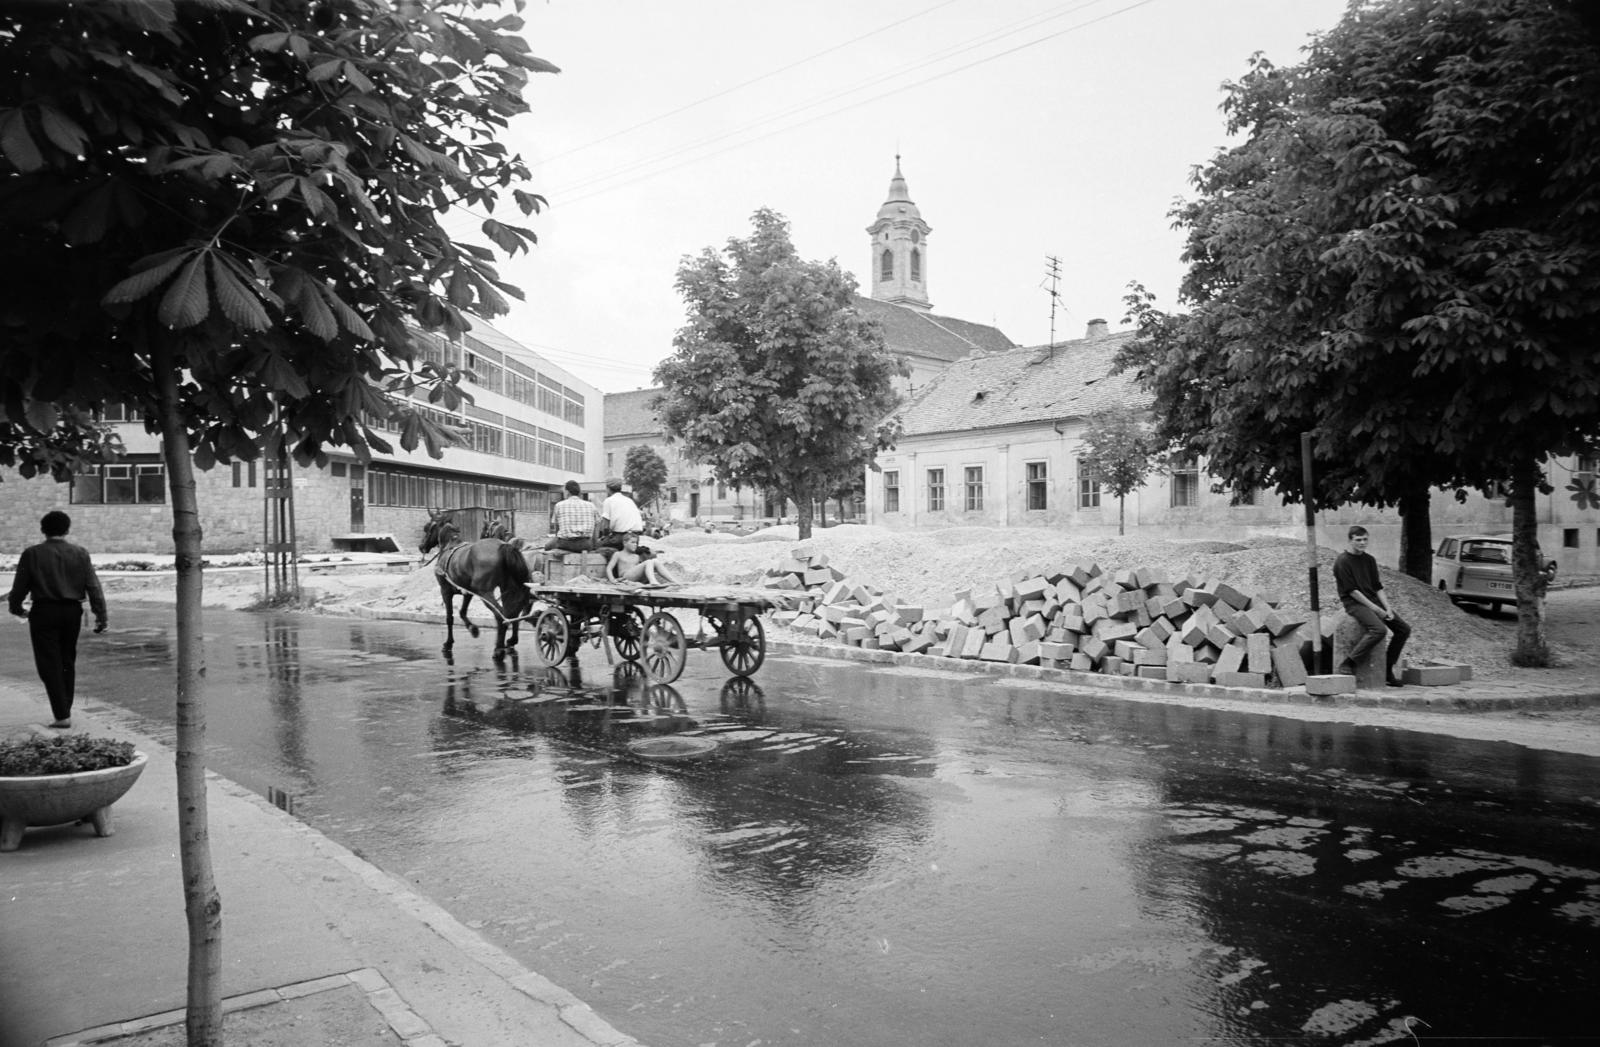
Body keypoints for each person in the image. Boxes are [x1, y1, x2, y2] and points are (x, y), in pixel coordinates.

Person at [8, 510, 108, 728]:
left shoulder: (32, 554)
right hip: (72, 612)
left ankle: (62, 713)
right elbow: (93, 586)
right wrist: (101, 615)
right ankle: (65, 709)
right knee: (66, 660)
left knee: (48, 663)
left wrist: (16, 608)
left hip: (44, 612)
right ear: (67, 529)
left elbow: (19, 588)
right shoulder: (80, 553)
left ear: (43, 530)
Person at [1332, 524, 1411, 687]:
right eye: (1358, 540)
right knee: (1379, 630)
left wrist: (1387, 608)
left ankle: (1387, 670)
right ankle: (1349, 662)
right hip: (1354, 603)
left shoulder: (1369, 560)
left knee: (1403, 629)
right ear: (1350, 541)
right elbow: (1353, 592)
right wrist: (1377, 610)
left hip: (1373, 600)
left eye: (1365, 539)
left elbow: (1377, 587)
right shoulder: (1342, 561)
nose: (1362, 543)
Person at [543, 480, 598, 553]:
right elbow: (596, 525)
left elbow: (557, 528)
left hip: (565, 544)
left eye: (564, 491)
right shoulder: (591, 505)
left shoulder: (559, 505)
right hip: (586, 544)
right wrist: (594, 544)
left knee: (547, 547)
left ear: (567, 492)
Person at [593, 478, 646, 553]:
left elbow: (605, 526)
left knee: (597, 546)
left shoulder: (609, 500)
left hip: (621, 537)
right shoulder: (629, 500)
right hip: (635, 537)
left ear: (608, 489)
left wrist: (603, 537)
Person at [605, 533, 680, 585]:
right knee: (648, 562)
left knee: (655, 561)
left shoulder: (636, 556)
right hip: (625, 577)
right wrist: (612, 580)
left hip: (635, 578)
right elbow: (609, 568)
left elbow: (639, 570)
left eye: (636, 543)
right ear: (625, 543)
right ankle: (652, 581)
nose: (635, 545)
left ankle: (674, 581)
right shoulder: (618, 554)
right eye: (632, 542)